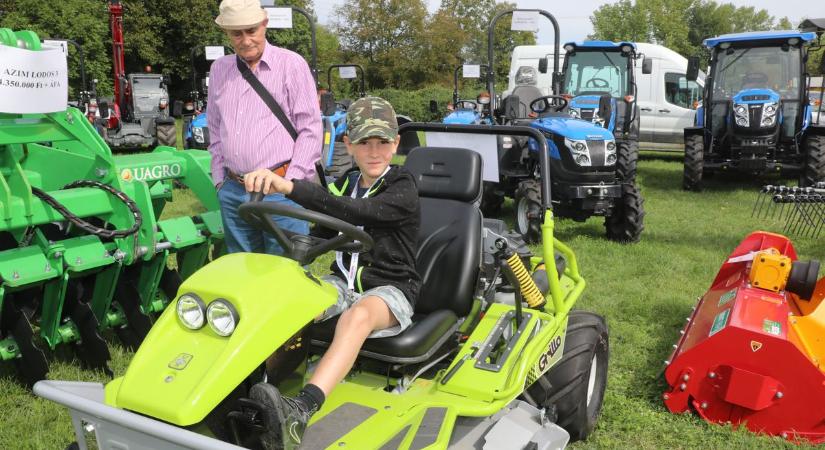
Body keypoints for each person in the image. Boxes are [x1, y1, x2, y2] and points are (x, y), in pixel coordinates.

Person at [243, 97, 421, 449]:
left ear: (396, 144)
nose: (374, 151)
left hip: (390, 290)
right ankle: (259, 390)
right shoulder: (347, 182)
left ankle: (301, 409)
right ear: (348, 144)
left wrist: (290, 186)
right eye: (364, 143)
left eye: (383, 142)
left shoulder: (403, 187)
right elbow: (323, 231)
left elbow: (354, 210)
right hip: (342, 283)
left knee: (356, 316)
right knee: (289, 304)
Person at [209, 0, 322, 254]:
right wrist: (219, 181)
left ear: (264, 24)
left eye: (251, 30)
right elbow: (215, 128)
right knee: (241, 273)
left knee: (284, 274)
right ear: (227, 33)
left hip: (280, 192)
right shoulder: (220, 69)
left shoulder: (291, 64)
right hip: (234, 190)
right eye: (237, 33)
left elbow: (311, 129)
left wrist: (292, 184)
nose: (246, 40)